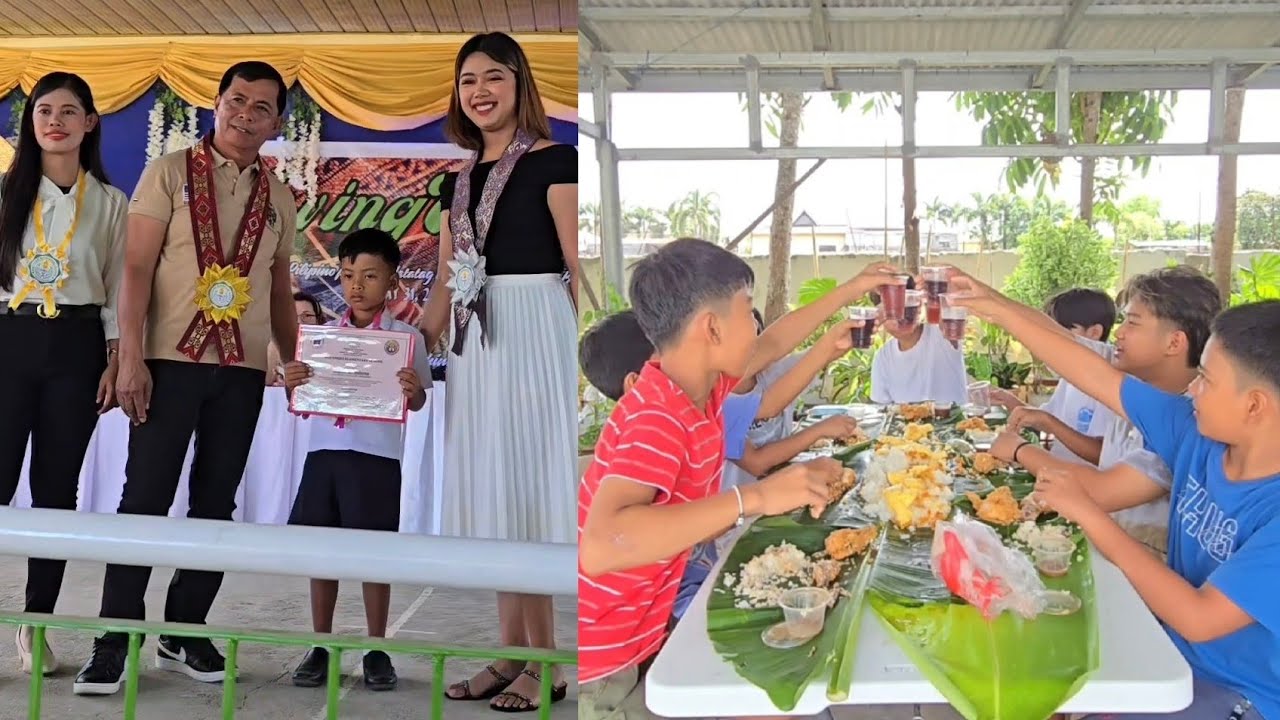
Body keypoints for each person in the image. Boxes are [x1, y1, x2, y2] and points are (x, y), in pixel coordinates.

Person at [578, 238, 900, 719]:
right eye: (748, 310)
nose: (756, 325)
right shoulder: (658, 417)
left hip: (651, 627)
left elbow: (774, 343)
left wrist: (853, 288)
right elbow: (601, 544)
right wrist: (756, 497)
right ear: (711, 327)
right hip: (612, 663)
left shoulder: (701, 388)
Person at [947, 269, 1280, 720]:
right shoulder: (1196, 435)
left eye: (1205, 378)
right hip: (1168, 646)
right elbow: (1092, 372)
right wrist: (992, 304)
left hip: (1237, 693)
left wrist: (1089, 514)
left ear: (1254, 405)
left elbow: (1200, 618)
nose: (1193, 388)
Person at [74, 61, 298, 696]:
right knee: (143, 499)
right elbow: (137, 268)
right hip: (168, 361)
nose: (246, 115)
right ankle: (114, 638)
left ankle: (184, 630)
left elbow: (280, 288)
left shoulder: (279, 196)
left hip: (242, 370)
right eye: (237, 101)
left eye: (262, 107)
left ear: (277, 121)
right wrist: (132, 357)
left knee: (214, 505)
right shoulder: (170, 172)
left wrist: (293, 355)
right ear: (217, 103)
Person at [417, 32, 577, 712]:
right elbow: (447, 284)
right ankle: (512, 654)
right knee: (498, 495)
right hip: (476, 342)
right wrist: (408, 347)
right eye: (468, 81)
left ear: (520, 86)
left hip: (536, 330)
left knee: (531, 490)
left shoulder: (556, 161)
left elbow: (579, 269)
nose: (480, 91)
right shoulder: (457, 179)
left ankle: (550, 662)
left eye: (494, 78)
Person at [577, 310, 861, 622]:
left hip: (697, 566)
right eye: (669, 355)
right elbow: (602, 546)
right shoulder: (646, 435)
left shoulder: (698, 406)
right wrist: (756, 498)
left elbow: (772, 349)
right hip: (645, 608)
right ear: (636, 382)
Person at [0, 72, 126, 676]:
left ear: (90, 124)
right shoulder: (4, 193)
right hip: (9, 339)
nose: (55, 121)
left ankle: (36, 624)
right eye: (44, 110)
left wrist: (116, 356)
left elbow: (120, 289)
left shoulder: (109, 202)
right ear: (30, 123)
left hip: (77, 348)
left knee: (55, 492)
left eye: (69, 111)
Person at [282, 229, 431, 692]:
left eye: (370, 276)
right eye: (348, 275)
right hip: (325, 452)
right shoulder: (320, 338)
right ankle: (320, 644)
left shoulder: (407, 339)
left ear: (392, 282)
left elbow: (420, 398)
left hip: (376, 456)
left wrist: (414, 391)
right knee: (323, 554)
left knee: (373, 556)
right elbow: (301, 395)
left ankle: (376, 647)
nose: (356, 286)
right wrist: (294, 379)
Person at [991, 268, 1222, 556]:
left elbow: (1101, 490)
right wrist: (987, 300)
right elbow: (1056, 337)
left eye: (1132, 323)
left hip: (1140, 563)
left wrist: (1019, 450)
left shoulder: (1192, 418)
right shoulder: (1135, 377)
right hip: (1103, 544)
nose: (1119, 333)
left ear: (1174, 342)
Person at [993, 288, 1119, 465]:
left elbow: (1103, 454)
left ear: (1094, 332)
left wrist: (1022, 448)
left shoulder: (1113, 382)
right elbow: (1045, 419)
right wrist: (1008, 400)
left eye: (1060, 332)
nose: (1051, 341)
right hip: (1056, 474)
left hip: (1084, 484)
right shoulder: (1070, 375)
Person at [869, 311, 968, 406]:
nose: (899, 319)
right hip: (906, 423)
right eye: (891, 313)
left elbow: (950, 301)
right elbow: (882, 408)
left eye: (906, 309)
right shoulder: (883, 357)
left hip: (954, 421)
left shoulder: (943, 332)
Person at [266, 291, 324, 385]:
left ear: (318, 320)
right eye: (293, 316)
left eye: (307, 315)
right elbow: (265, 381)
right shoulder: (275, 347)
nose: (299, 321)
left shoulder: (326, 349)